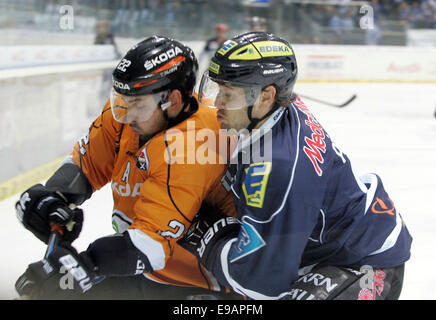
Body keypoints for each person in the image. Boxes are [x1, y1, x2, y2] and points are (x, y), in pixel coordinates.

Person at [178, 31, 413, 300]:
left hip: (363, 260)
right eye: (217, 88)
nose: (217, 103)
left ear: (266, 96)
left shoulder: (278, 168)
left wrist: (211, 242)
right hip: (329, 240)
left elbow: (260, 282)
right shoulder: (275, 110)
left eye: (228, 94)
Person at [14, 36, 240, 300]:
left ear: (174, 101)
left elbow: (151, 246)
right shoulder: (131, 116)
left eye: (138, 104)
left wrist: (84, 266)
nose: (126, 114)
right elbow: (85, 166)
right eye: (123, 100)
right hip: (147, 273)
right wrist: (54, 198)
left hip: (199, 285)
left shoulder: (196, 144)